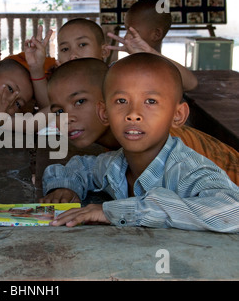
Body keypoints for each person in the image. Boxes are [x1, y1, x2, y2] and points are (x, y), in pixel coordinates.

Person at [42, 53, 239, 233]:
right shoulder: (115, 165)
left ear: (178, 115)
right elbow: (80, 168)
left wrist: (119, 211)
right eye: (121, 101)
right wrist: (64, 188)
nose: (133, 114)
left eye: (150, 101)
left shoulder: (185, 168)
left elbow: (232, 210)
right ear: (104, 113)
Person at [106, 0, 198, 91]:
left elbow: (191, 84)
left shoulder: (165, 71)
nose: (126, 37)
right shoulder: (121, 68)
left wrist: (149, 52)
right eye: (126, 29)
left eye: (134, 32)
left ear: (156, 34)